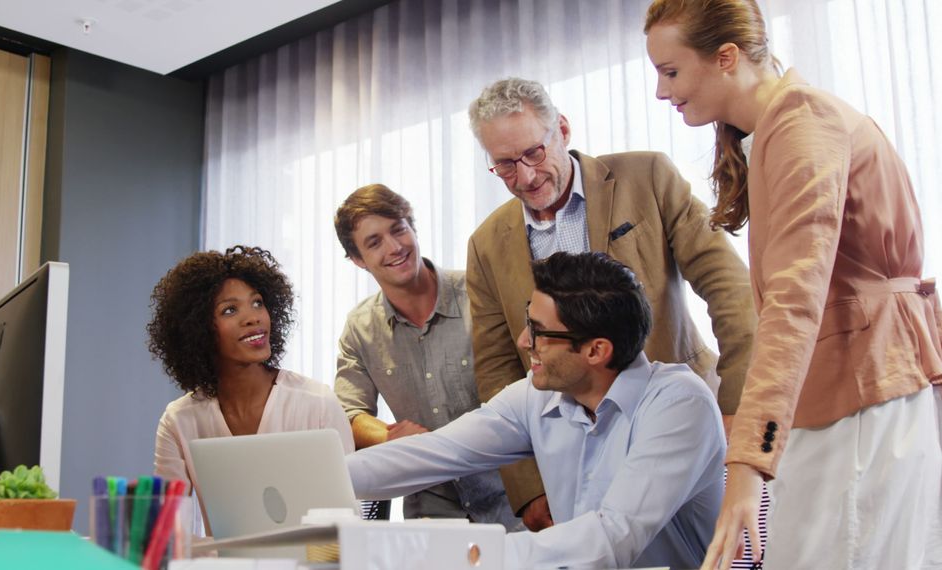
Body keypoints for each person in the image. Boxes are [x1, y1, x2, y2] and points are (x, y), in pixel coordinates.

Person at [643, 1, 942, 568]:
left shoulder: (803, 121)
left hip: (859, 389)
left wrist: (747, 462)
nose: (662, 91)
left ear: (726, 57)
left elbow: (794, 302)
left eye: (671, 71)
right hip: (850, 390)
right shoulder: (778, 129)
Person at [466, 77, 755, 529]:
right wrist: (529, 489)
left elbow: (730, 290)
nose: (525, 177)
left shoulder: (648, 177)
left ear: (562, 130)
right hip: (572, 452)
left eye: (534, 154)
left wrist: (739, 405)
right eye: (504, 165)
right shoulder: (485, 244)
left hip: (678, 421)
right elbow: (496, 368)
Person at [347, 251, 726, 569]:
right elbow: (436, 452)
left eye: (539, 331)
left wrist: (464, 556)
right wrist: (326, 477)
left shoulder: (679, 404)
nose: (523, 340)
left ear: (596, 350)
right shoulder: (539, 395)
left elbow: (611, 538)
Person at [332, 184, 519, 527]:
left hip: (512, 504)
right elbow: (348, 413)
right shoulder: (360, 328)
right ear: (358, 260)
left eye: (398, 229)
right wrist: (388, 436)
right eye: (374, 242)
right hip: (431, 514)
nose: (394, 247)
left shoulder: (481, 294)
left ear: (413, 228)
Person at [148, 246, 355, 535]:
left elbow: (349, 521)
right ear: (198, 329)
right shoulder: (179, 420)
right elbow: (167, 530)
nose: (253, 317)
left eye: (257, 303)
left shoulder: (317, 402)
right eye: (230, 310)